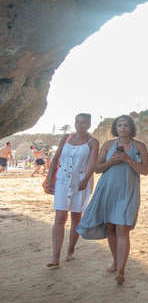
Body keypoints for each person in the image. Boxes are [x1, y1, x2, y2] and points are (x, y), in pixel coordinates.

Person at [76, 115, 148, 284]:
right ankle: (115, 261)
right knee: (110, 227)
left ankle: (121, 270)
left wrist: (127, 159)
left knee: (122, 228)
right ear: (115, 128)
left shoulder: (139, 146)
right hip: (107, 189)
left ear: (131, 128)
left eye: (126, 125)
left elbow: (145, 170)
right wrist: (111, 161)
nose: (122, 128)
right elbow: (97, 168)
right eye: (119, 125)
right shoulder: (108, 145)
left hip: (127, 190)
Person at [45, 113, 99, 267]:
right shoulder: (66, 138)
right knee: (60, 216)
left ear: (89, 124)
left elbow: (92, 163)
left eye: (83, 123)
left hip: (80, 181)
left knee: (76, 216)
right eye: (77, 122)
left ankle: (70, 251)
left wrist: (86, 179)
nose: (80, 125)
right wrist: (49, 179)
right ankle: (55, 257)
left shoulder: (92, 142)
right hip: (62, 180)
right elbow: (56, 159)